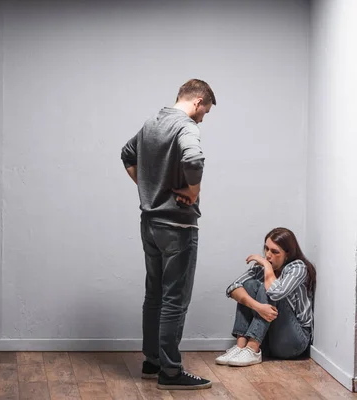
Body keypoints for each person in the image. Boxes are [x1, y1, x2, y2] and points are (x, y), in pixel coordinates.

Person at [121, 79, 216, 390]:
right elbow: (194, 159)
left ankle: (153, 361)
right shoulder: (185, 126)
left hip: (149, 223)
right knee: (175, 299)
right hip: (177, 226)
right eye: (205, 112)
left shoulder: (151, 123)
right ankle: (171, 372)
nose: (203, 118)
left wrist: (148, 188)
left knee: (155, 295)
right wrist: (193, 188)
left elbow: (127, 153)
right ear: (198, 101)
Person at [215, 227, 316, 367]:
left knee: (265, 287)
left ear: (287, 254)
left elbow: (275, 292)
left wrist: (266, 266)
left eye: (275, 252)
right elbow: (233, 288)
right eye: (266, 249)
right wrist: (258, 307)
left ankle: (252, 348)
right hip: (270, 341)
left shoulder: (297, 267)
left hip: (294, 342)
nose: (268, 255)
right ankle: (241, 347)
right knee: (248, 285)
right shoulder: (260, 268)